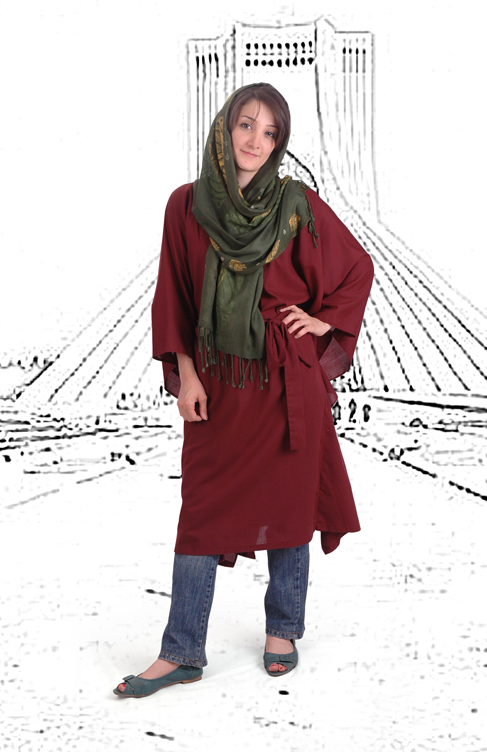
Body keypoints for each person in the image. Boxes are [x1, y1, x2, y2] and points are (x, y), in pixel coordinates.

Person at [113, 82, 374, 698]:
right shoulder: (186, 206)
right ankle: (181, 651)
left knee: (290, 507)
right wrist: (186, 373)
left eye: (270, 132)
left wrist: (323, 322)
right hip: (219, 383)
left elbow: (356, 267)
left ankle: (283, 630)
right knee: (201, 511)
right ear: (224, 128)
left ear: (279, 143)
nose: (256, 141)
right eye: (246, 125)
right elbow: (175, 294)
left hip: (285, 381)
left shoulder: (296, 204)